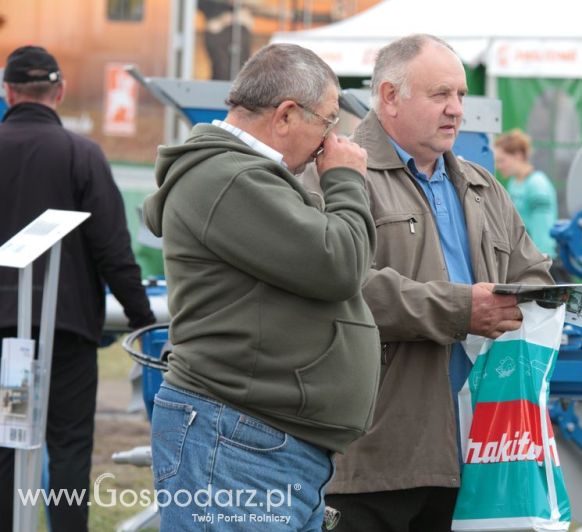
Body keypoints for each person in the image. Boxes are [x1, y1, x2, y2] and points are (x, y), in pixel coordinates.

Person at [142, 43, 380, 530]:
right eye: (328, 122)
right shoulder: (228, 178)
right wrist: (345, 182)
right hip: (237, 440)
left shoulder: (240, 174)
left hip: (254, 439)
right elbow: (339, 262)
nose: (329, 141)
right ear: (288, 115)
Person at [324, 34, 554, 531]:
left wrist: (539, 299)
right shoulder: (340, 176)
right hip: (374, 455)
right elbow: (340, 285)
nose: (455, 110)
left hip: (477, 448)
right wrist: (457, 309)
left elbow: (531, 271)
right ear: (389, 97)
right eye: (440, 95)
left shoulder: (479, 184)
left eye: (461, 96)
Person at [0, 45, 155, 532]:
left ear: (7, 92)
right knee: (68, 448)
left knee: (5, 445)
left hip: (2, 336)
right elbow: (113, 247)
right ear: (60, 91)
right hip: (65, 330)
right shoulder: (82, 154)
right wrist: (142, 318)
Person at [494, 129, 571, 283]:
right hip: (526, 262)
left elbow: (543, 236)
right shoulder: (514, 183)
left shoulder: (537, 185)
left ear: (518, 156)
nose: (499, 166)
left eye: (502, 160)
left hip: (544, 264)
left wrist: (537, 269)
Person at [198, 0, 256, 80]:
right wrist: (222, 19)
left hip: (239, 27)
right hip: (216, 28)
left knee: (242, 70)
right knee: (221, 70)